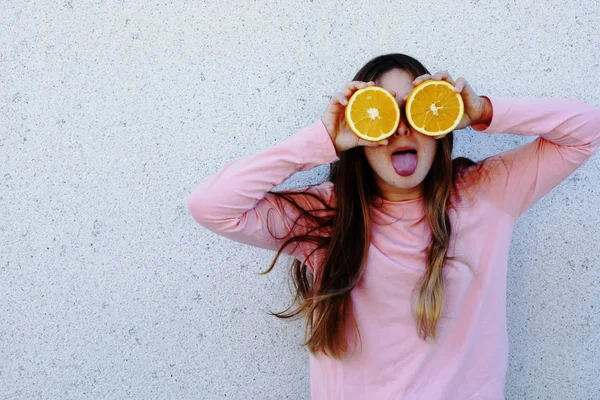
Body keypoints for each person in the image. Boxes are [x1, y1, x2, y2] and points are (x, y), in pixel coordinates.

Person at [187, 53, 600, 399]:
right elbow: (211, 205)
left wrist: (481, 111)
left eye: (414, 109)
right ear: (360, 130)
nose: (402, 126)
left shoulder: (484, 195)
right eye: (382, 111)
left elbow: (587, 128)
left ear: (438, 126)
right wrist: (322, 139)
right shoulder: (327, 215)